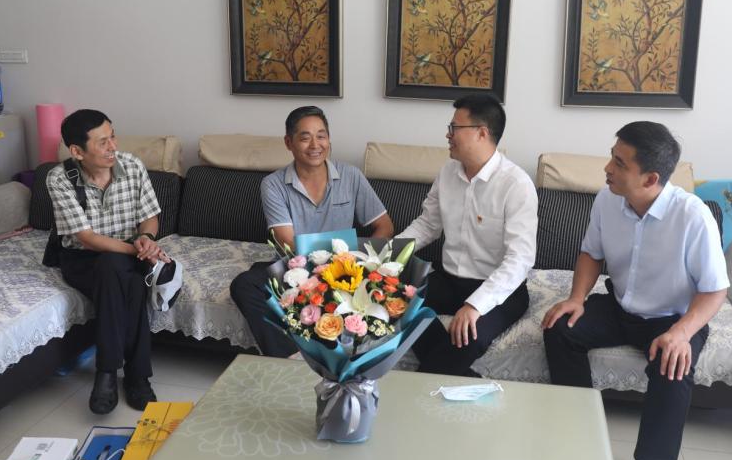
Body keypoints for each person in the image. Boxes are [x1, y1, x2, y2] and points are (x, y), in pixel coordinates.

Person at [542, 121, 729, 460]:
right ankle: (579, 434)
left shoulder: (693, 216)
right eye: (612, 157)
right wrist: (576, 299)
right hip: (620, 305)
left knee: (674, 369)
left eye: (619, 163)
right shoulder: (607, 199)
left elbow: (715, 289)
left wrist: (682, 333)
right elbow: (591, 253)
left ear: (650, 178)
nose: (607, 168)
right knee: (560, 328)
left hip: (672, 318)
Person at [230, 106, 394, 357]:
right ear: (289, 142)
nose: (315, 145)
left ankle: (341, 357)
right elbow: (287, 243)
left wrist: (364, 262)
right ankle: (289, 358)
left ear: (329, 140)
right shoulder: (273, 184)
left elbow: (385, 226)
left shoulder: (351, 176)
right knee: (244, 285)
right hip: (295, 269)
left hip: (346, 271)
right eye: (305, 137)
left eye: (321, 136)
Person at [398, 93, 537, 376]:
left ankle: (426, 382)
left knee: (466, 338)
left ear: (481, 133)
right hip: (450, 280)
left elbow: (520, 259)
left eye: (454, 128)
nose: (448, 135)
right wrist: (387, 255)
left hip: (499, 288)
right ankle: (469, 380)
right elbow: (428, 225)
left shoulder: (516, 184)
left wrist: (476, 305)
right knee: (389, 297)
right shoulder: (448, 173)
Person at [48, 109, 168, 414]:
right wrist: (136, 251)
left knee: (118, 271)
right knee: (123, 276)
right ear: (77, 151)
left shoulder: (132, 165)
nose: (113, 146)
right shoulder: (59, 179)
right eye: (103, 142)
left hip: (128, 253)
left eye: (112, 136)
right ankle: (138, 377)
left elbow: (150, 217)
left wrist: (147, 239)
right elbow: (87, 238)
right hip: (83, 259)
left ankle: (107, 373)